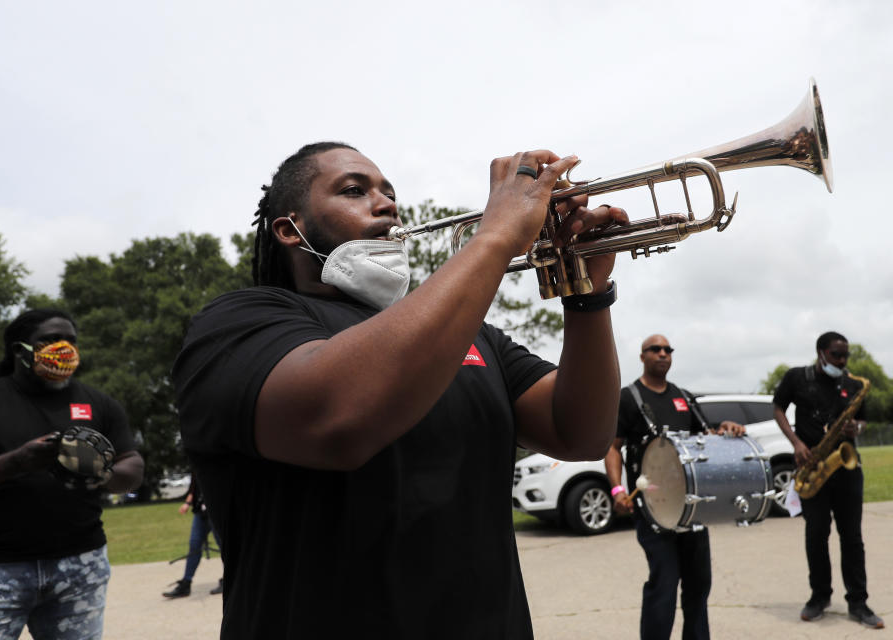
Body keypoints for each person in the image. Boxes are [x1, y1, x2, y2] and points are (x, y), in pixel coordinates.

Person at [173, 142, 628, 638]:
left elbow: (580, 432)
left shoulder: (472, 336)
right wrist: (497, 235)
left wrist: (588, 294)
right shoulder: (238, 322)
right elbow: (338, 418)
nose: (387, 203)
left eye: (390, 192)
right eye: (354, 190)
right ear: (289, 228)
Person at [0, 308, 145, 640]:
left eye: (71, 341)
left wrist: (101, 473)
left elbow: (132, 465)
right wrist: (15, 462)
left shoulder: (100, 404)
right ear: (20, 350)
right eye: (50, 340)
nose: (64, 348)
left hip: (79, 566)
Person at [603, 334, 745, 640]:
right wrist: (617, 491)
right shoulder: (628, 398)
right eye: (655, 349)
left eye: (668, 350)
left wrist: (725, 431)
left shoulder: (684, 396)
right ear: (642, 357)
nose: (663, 354)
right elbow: (611, 447)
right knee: (664, 585)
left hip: (692, 509)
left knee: (698, 585)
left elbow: (705, 439)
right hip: (653, 512)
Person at [772, 331, 884, 629]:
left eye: (845, 355)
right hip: (814, 465)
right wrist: (796, 443)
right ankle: (819, 597)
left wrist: (855, 428)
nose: (843, 360)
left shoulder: (853, 384)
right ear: (821, 352)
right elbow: (778, 408)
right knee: (816, 535)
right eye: (837, 355)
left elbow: (862, 418)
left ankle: (858, 602)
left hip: (846, 468)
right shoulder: (797, 377)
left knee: (853, 538)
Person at [162, 473, 224, 598]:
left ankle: (229, 580)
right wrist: (187, 503)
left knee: (224, 546)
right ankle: (186, 583)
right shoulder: (198, 461)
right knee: (194, 545)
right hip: (200, 511)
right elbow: (194, 487)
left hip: (217, 509)